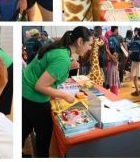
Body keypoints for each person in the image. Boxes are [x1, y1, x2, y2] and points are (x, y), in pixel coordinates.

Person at [22, 26, 92, 157]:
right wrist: (65, 95)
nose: (89, 48)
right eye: (89, 44)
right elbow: (40, 86)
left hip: (24, 91)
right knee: (44, 134)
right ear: (80, 41)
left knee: (24, 129)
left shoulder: (60, 49)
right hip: (33, 97)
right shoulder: (62, 58)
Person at [107, 26, 121, 95]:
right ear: (115, 30)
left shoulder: (113, 38)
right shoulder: (112, 38)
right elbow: (112, 49)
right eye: (117, 30)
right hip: (113, 61)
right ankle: (114, 95)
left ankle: (113, 94)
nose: (118, 31)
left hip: (114, 60)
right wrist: (114, 59)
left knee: (113, 76)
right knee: (113, 76)